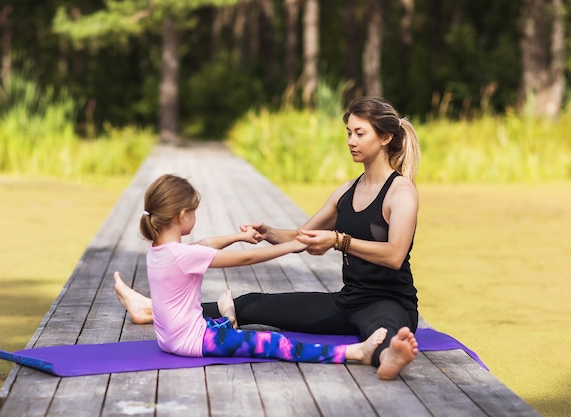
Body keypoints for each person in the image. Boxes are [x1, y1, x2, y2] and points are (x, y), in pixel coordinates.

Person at [115, 96, 420, 379]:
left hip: (390, 301)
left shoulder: (401, 191)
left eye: (359, 133)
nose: (351, 141)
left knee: (384, 330)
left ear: (385, 137)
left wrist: (338, 241)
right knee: (251, 304)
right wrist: (270, 233)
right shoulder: (346, 191)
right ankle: (149, 309)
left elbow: (394, 255)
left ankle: (388, 356)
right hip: (348, 300)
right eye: (348, 133)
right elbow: (304, 236)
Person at [114, 173, 388, 365]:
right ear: (181, 216)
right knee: (274, 343)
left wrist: (238, 237)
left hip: (170, 339)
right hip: (194, 342)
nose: (195, 216)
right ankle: (353, 353)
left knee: (221, 325)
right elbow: (247, 260)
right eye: (194, 211)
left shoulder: (160, 250)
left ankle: (228, 321)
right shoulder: (185, 255)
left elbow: (205, 243)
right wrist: (290, 246)